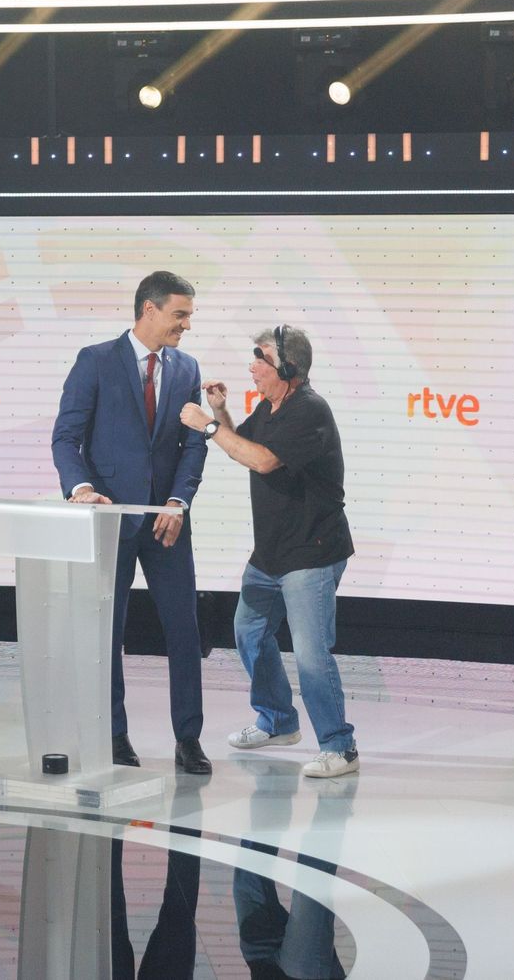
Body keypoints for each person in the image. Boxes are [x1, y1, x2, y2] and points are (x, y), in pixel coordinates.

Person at [180, 325, 359, 779]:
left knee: (312, 656)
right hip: (271, 552)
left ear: (289, 368)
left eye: (260, 358)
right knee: (250, 634)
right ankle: (278, 720)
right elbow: (245, 446)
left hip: (311, 553)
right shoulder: (272, 406)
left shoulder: (309, 410)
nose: (252, 366)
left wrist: (209, 424)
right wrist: (222, 412)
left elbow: (263, 461)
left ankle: (340, 746)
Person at [51, 271, 212, 775]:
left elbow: (194, 445)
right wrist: (80, 490)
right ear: (149, 310)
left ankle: (189, 738)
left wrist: (178, 502)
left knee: (184, 630)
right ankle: (114, 733)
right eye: (179, 315)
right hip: (109, 521)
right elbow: (66, 438)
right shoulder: (95, 361)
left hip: (166, 522)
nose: (186, 325)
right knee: (109, 632)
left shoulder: (187, 368)